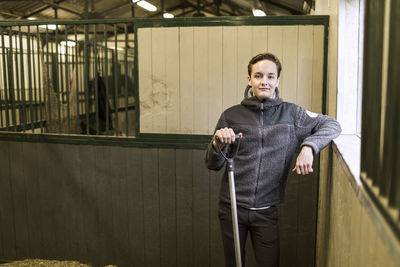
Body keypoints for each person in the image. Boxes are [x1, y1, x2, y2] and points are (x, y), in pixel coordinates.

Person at [205, 52, 341, 267]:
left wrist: (308, 147)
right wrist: (218, 144)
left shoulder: (293, 114)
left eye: (270, 76)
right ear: (249, 80)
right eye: (258, 76)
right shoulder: (231, 115)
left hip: (266, 210)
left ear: (277, 80)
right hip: (232, 207)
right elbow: (213, 164)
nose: (264, 81)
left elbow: (332, 124)